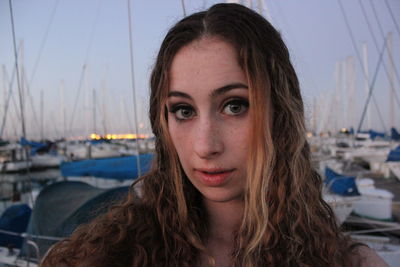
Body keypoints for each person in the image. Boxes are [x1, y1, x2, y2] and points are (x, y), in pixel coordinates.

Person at [41, 3, 388, 267]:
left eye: (235, 106)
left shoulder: (349, 262)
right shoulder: (112, 252)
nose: (205, 146)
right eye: (184, 110)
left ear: (280, 114)